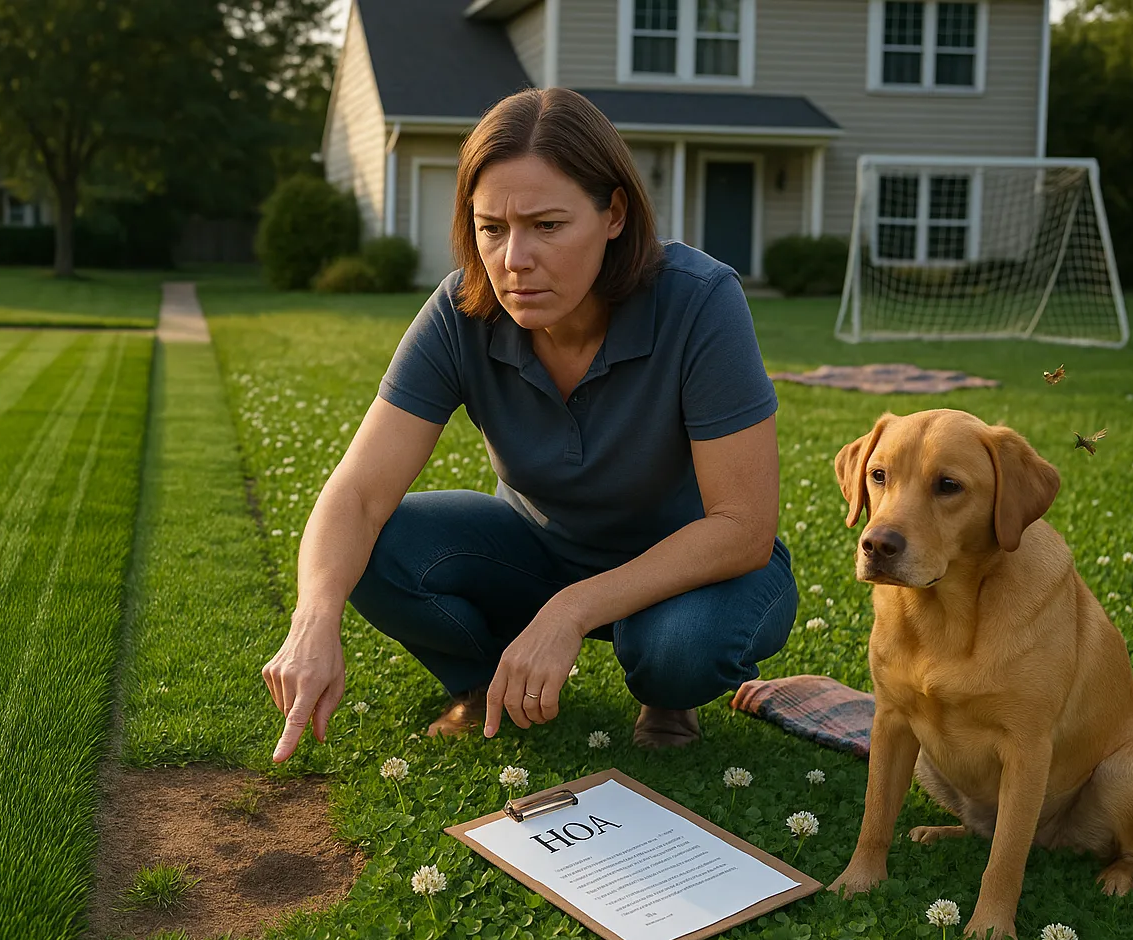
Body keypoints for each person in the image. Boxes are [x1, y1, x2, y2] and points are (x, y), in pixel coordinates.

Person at [264, 87, 796, 764]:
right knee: (374, 548)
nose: (515, 258)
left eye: (547, 225)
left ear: (613, 213)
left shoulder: (700, 301)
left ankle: (666, 695)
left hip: (696, 568)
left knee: (679, 651)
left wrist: (572, 610)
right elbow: (357, 494)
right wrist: (314, 616)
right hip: (541, 548)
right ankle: (486, 682)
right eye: (492, 228)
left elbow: (742, 528)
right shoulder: (459, 313)